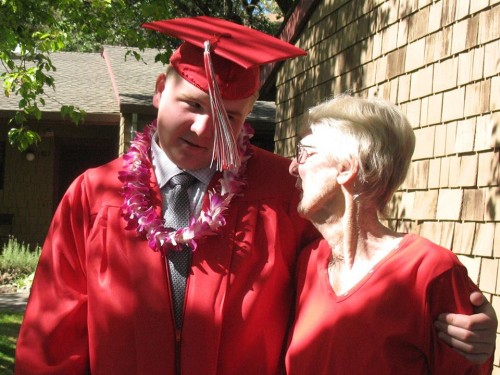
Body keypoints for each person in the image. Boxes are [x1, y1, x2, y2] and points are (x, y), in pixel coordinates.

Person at [14, 17, 496, 375]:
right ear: (161, 91)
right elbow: (52, 344)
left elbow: (358, 277)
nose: (205, 129)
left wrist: (461, 328)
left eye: (232, 117)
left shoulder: (284, 189)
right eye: (193, 105)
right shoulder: (94, 195)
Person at [285, 95, 496, 374]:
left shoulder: (430, 271)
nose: (292, 167)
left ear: (347, 168)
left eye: (304, 153)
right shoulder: (308, 263)